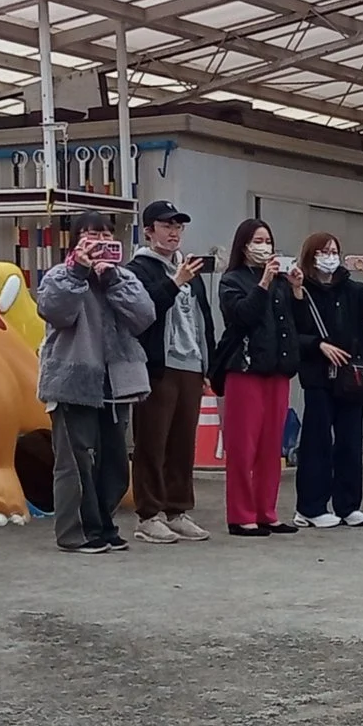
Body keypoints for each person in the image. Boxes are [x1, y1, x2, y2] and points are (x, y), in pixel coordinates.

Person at [37, 209, 156, 556]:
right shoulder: (60, 275)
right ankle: (75, 533)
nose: (100, 242)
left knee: (114, 463)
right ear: (76, 242)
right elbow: (55, 311)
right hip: (73, 382)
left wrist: (113, 280)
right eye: (91, 235)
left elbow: (144, 316)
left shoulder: (123, 276)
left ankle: (104, 526)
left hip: (117, 384)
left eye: (106, 235)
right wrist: (79, 271)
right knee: (77, 463)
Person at [124, 201, 215, 543]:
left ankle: (178, 510)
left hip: (190, 364)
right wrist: (176, 282)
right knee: (152, 441)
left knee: (182, 442)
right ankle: (148, 515)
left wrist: (207, 363)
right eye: (167, 226)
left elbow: (203, 318)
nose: (174, 233)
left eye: (178, 226)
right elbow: (143, 312)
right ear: (149, 231)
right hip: (157, 366)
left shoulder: (189, 268)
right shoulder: (137, 270)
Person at [214, 216, 303, 535]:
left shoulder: (281, 281)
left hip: (277, 369)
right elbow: (241, 316)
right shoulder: (232, 280)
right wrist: (263, 284)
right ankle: (241, 514)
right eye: (257, 241)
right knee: (244, 446)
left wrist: (296, 289)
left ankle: (267, 511)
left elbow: (295, 322)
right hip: (245, 368)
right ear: (244, 246)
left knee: (270, 446)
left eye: (268, 241)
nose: (264, 247)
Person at [294, 231, 363, 528]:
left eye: (334, 251)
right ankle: (310, 507)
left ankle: (348, 505)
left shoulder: (353, 289)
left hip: (350, 377)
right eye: (323, 252)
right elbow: (293, 329)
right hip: (318, 377)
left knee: (349, 442)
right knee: (317, 442)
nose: (330, 257)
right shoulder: (300, 288)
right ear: (311, 256)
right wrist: (317, 345)